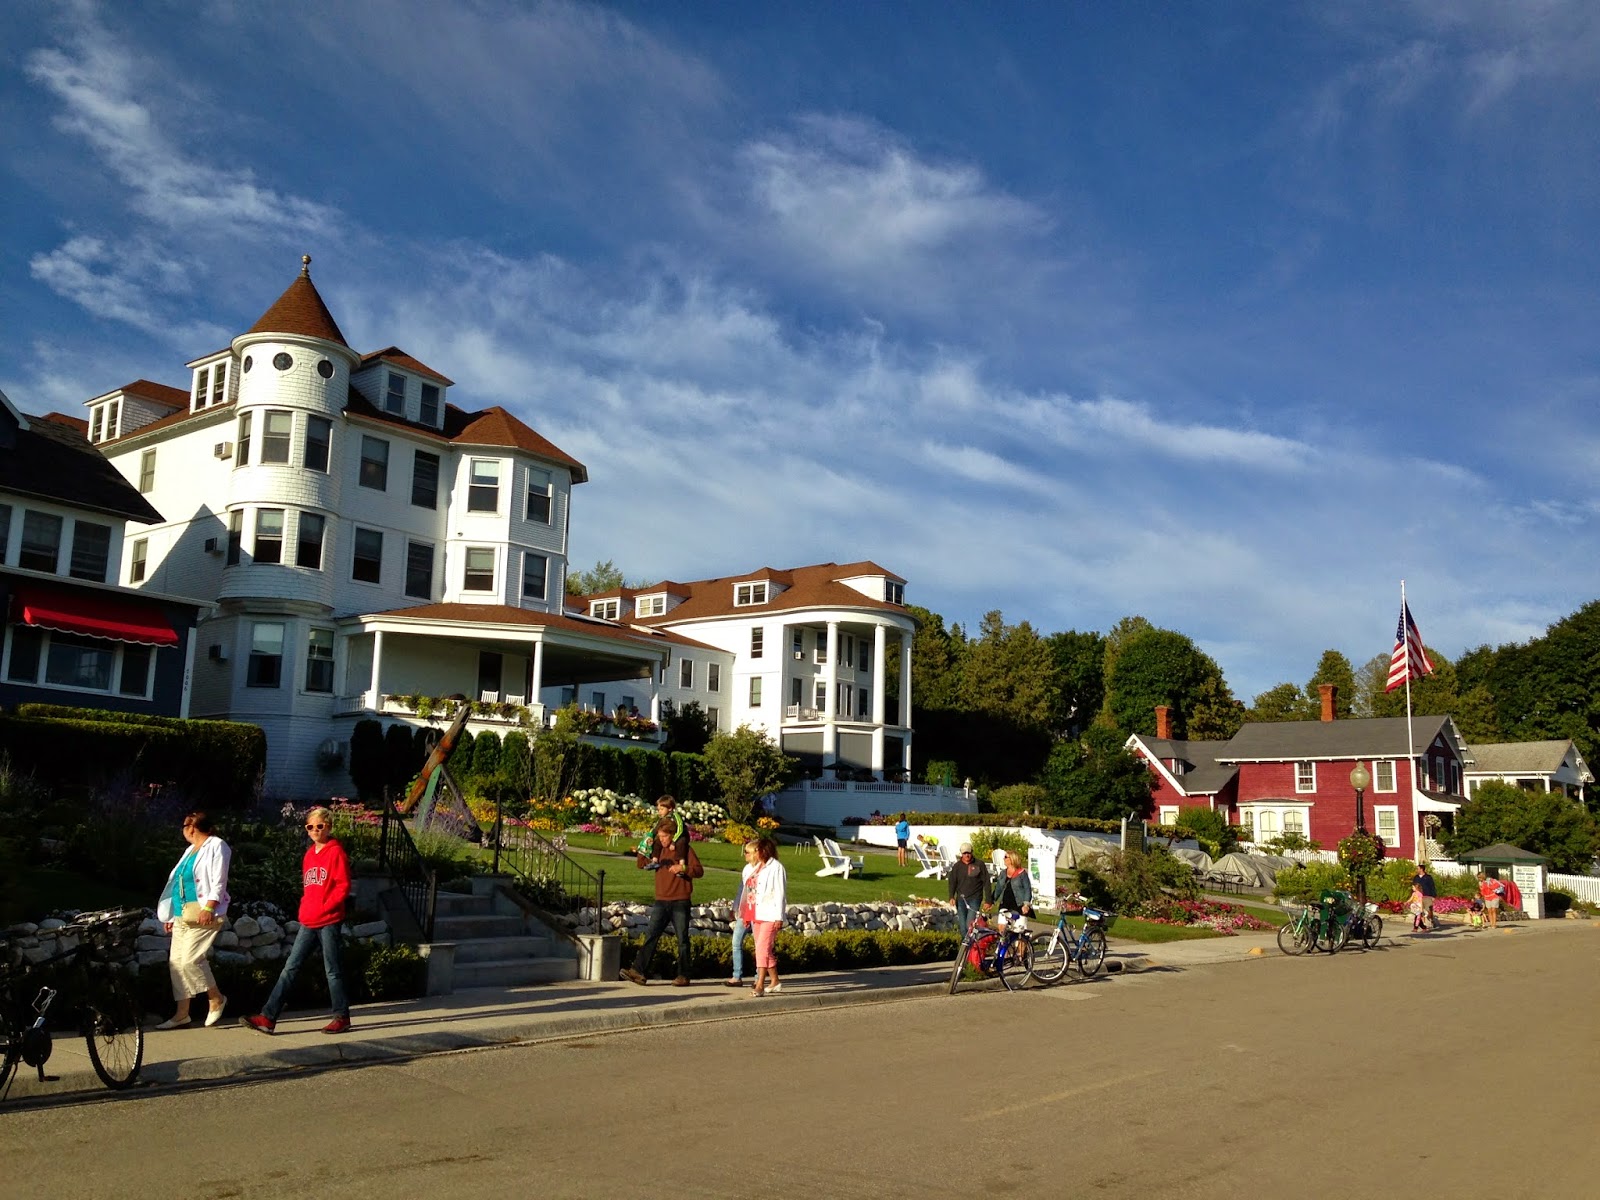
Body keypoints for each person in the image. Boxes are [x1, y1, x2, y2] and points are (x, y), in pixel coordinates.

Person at [246, 807, 353, 1035]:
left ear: (329, 826)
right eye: (310, 827)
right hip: (309, 920)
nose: (315, 830)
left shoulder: (336, 853)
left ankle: (341, 1016)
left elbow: (343, 886)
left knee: (332, 970)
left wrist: (326, 907)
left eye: (320, 826)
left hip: (329, 920)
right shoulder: (309, 855)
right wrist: (306, 909)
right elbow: (307, 887)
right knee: (290, 968)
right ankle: (268, 1017)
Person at [154, 811, 232, 1029]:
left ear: (191, 828)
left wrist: (210, 906)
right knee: (177, 964)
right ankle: (182, 1014)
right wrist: (170, 914)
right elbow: (177, 884)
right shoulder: (190, 851)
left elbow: (219, 880)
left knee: (191, 961)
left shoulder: (217, 846)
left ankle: (216, 998)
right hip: (182, 913)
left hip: (203, 912)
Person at [621, 819, 702, 985]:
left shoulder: (684, 850)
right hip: (661, 900)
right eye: (660, 836)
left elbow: (699, 871)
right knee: (651, 935)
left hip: (680, 900)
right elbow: (641, 864)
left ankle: (683, 975)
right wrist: (644, 848)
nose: (662, 839)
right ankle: (638, 971)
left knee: (682, 939)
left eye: (664, 836)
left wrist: (683, 868)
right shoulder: (658, 850)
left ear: (672, 835)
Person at [749, 836, 788, 997]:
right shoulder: (758, 867)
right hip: (758, 913)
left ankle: (760, 983)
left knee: (762, 949)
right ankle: (775, 981)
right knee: (763, 949)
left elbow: (780, 892)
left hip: (770, 915)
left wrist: (779, 916)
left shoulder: (776, 868)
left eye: (758, 850)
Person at [724, 841, 761, 986]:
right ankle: (736, 975)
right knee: (736, 941)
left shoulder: (763, 869)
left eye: (747, 852)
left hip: (758, 911)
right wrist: (736, 908)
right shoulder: (746, 869)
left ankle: (759, 977)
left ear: (755, 854)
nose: (744, 854)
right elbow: (742, 889)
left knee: (759, 944)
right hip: (745, 909)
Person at [947, 842, 991, 934]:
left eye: (969, 853)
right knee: (962, 927)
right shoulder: (957, 866)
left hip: (975, 898)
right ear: (961, 854)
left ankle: (971, 945)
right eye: (964, 853)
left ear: (972, 852)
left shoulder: (979, 864)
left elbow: (986, 882)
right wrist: (951, 896)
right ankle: (966, 946)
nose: (967, 855)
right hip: (961, 899)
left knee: (969, 925)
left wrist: (988, 900)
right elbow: (952, 882)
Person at [992, 850, 1034, 919]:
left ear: (1012, 859)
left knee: (1017, 928)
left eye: (1006, 857)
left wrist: (1026, 904)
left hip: (1018, 904)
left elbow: (1027, 889)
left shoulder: (1022, 873)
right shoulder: (1003, 873)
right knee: (1002, 926)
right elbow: (998, 888)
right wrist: (992, 900)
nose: (1004, 859)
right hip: (1005, 903)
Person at [1414, 862, 1440, 931]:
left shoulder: (1428, 877)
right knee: (1420, 912)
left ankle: (1431, 920)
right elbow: (1414, 887)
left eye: (1418, 868)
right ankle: (1424, 925)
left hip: (1427, 896)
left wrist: (1433, 896)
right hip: (1419, 897)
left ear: (1422, 869)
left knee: (1429, 911)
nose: (1417, 870)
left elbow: (1432, 886)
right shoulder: (1416, 877)